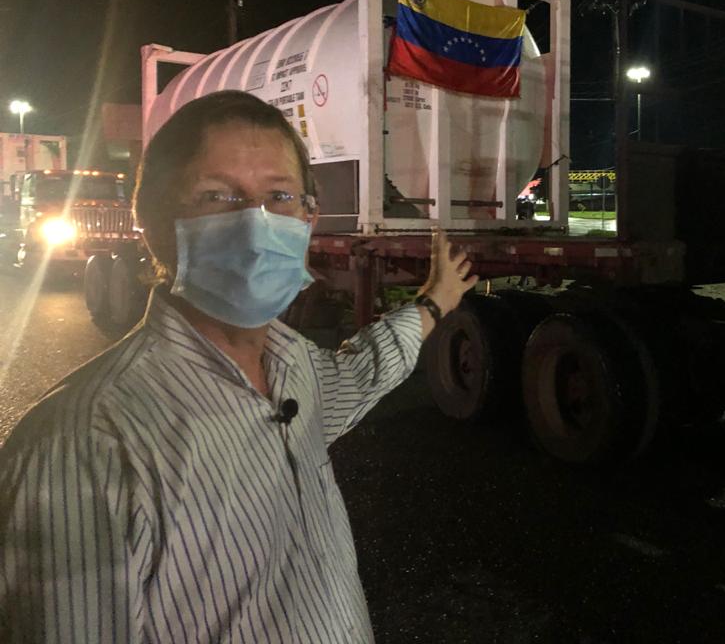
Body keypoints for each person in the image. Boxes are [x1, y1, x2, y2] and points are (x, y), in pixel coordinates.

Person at [0, 90, 477, 643]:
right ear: (153, 219)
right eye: (217, 196)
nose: (255, 223)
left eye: (279, 196)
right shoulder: (81, 447)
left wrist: (434, 303)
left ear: (309, 217)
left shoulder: (294, 364)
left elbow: (362, 372)